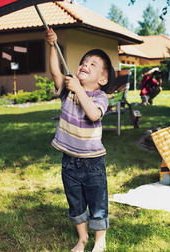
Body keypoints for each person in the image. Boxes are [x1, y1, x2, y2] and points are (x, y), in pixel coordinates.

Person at [45, 28, 115, 252]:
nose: (85, 64)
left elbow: (93, 114)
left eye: (93, 64)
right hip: (69, 160)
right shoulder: (68, 90)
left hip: (93, 162)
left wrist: (79, 89)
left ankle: (99, 240)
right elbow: (55, 71)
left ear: (102, 79)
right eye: (84, 61)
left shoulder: (100, 97)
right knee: (75, 201)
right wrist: (53, 46)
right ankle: (82, 238)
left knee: (97, 202)